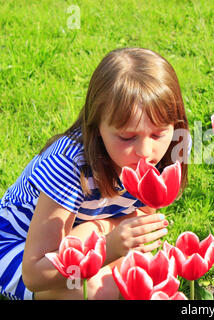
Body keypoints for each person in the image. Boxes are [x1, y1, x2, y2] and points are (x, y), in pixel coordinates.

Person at [0, 47, 191, 300]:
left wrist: (104, 234)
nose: (146, 151)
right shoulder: (68, 165)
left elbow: (140, 221)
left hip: (87, 241)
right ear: (97, 126)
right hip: (21, 249)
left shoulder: (164, 151)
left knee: (150, 279)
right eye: (127, 137)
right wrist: (108, 244)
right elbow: (34, 275)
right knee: (98, 292)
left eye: (158, 133)